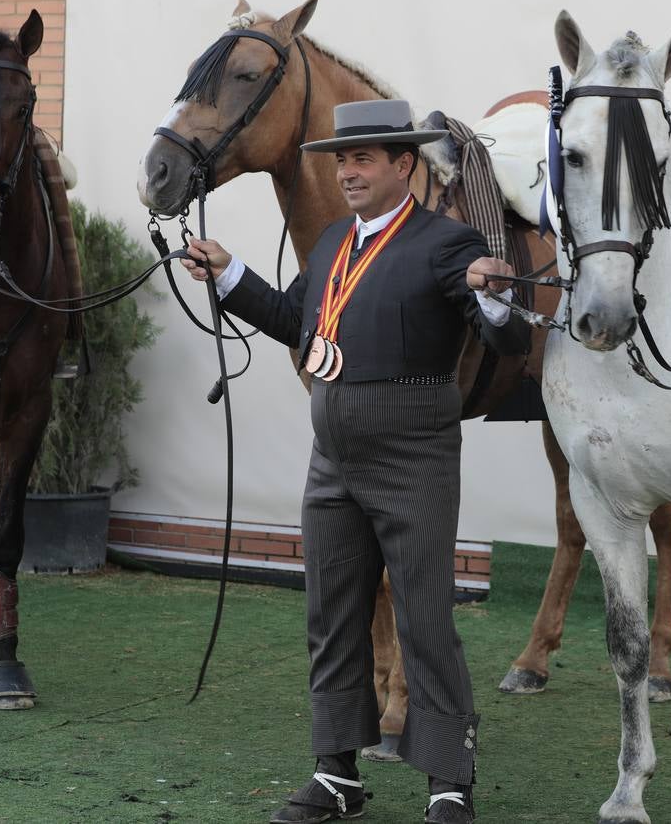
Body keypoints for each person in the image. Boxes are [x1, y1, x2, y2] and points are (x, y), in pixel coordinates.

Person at [183, 99, 531, 824]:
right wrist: (228, 273)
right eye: (342, 158)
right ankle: (337, 773)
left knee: (424, 617)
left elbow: (505, 343)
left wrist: (495, 300)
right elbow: (292, 319)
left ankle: (449, 780)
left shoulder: (449, 243)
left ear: (404, 164)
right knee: (332, 614)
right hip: (333, 457)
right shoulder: (336, 241)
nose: (347, 171)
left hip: (414, 454)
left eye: (364, 157)